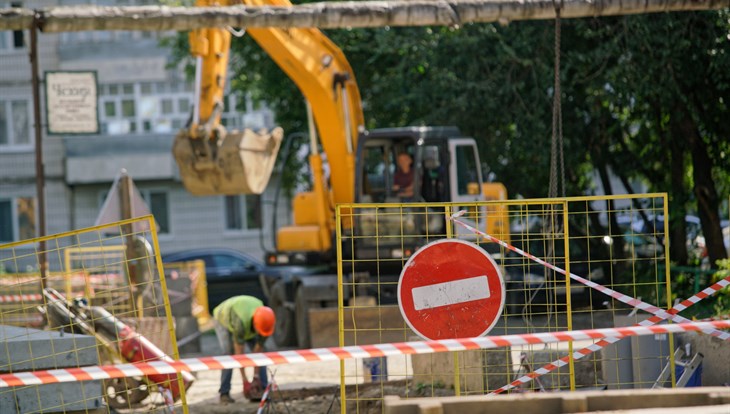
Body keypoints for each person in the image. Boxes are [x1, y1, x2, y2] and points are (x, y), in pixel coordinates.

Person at [213, 295, 276, 404]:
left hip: (248, 317)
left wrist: (255, 377)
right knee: (229, 355)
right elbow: (239, 355)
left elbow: (258, 351)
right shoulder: (240, 323)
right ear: (255, 325)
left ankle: (261, 388)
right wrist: (245, 381)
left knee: (261, 357)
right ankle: (224, 393)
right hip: (223, 318)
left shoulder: (266, 321)